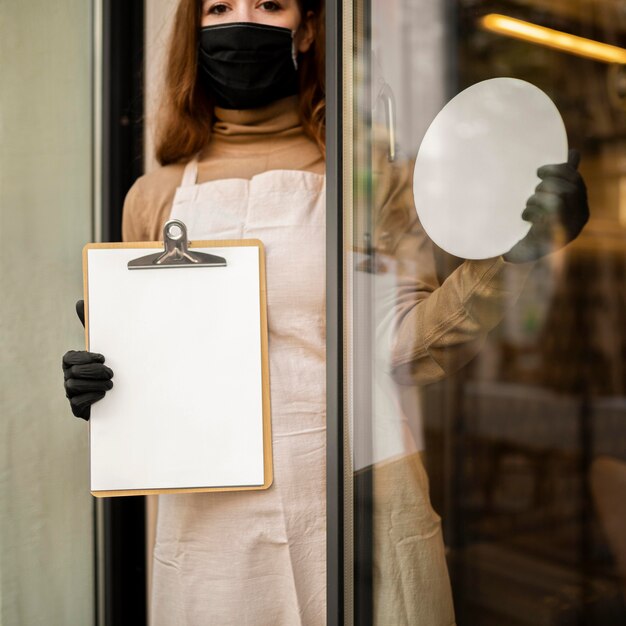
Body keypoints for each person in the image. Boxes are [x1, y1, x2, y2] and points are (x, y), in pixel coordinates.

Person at [62, 0, 589, 623]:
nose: (243, 23)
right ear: (193, 31)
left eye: (270, 5)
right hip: (212, 524)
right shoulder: (152, 199)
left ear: (309, 28)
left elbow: (407, 348)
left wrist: (512, 256)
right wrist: (107, 386)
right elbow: (156, 388)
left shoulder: (368, 178)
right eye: (220, 7)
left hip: (358, 505)